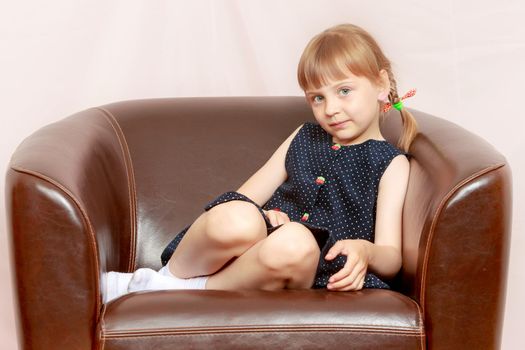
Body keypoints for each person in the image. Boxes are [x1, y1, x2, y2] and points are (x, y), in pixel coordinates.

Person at [103, 23, 416, 303]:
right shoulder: (304, 136)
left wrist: (364, 250)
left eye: (344, 91)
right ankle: (167, 280)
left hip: (306, 265)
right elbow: (243, 198)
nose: (330, 109)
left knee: (295, 241)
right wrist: (264, 217)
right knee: (237, 216)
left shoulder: (391, 163)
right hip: (257, 252)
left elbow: (391, 257)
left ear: (380, 84)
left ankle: (156, 290)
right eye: (317, 98)